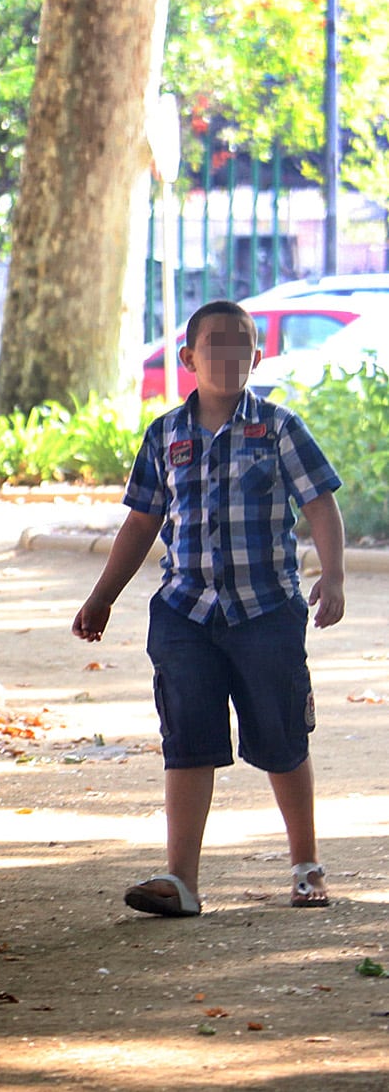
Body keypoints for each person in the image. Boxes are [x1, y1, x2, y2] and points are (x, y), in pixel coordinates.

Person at [74, 298, 346, 917]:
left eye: (239, 344)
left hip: (266, 612)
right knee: (187, 741)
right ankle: (181, 881)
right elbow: (142, 522)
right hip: (184, 614)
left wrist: (332, 577)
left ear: (256, 355)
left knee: (282, 738)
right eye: (212, 345)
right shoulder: (165, 433)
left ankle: (306, 866)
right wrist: (101, 598)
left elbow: (320, 505)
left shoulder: (279, 427)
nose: (227, 355)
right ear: (189, 358)